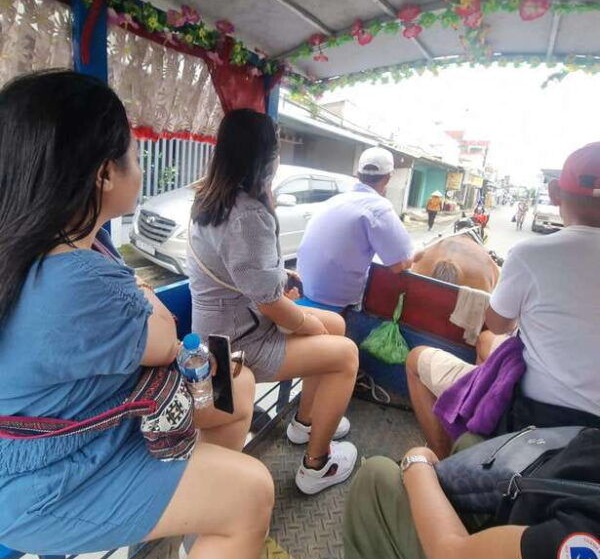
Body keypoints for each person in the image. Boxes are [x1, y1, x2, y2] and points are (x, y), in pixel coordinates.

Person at [0, 72, 274, 559]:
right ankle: (217, 523)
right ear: (105, 172)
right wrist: (146, 296)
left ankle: (200, 529)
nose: (140, 164)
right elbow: (165, 336)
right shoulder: (76, 274)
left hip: (79, 423)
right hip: (51, 474)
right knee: (251, 493)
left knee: (234, 383)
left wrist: (144, 299)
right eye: (132, 151)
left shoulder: (48, 242)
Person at [188, 109, 359, 495]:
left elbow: (247, 273)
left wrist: (284, 278)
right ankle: (318, 464)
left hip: (226, 327)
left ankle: (305, 422)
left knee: (336, 327)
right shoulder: (247, 214)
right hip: (237, 346)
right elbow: (270, 304)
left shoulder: (213, 197)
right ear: (267, 157)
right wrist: (306, 326)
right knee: (344, 353)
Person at [406, 142, 600, 458]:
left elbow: (497, 324)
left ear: (554, 193)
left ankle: (445, 461)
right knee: (487, 345)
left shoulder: (531, 254)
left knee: (418, 358)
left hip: (531, 415)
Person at [311, 448, 597, 559]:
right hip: (540, 511)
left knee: (375, 481)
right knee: (468, 446)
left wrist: (416, 464)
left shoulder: (585, 547)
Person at [296, 147, 413, 310]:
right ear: (388, 178)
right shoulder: (379, 208)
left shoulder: (335, 200)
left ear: (358, 175)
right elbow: (399, 264)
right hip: (334, 301)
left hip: (302, 288)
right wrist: (416, 257)